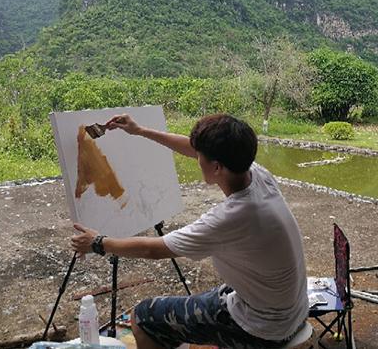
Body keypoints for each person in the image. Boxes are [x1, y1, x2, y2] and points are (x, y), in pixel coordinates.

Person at [70, 113, 309, 349]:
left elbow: (154, 249)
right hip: (292, 312)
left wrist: (98, 242)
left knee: (143, 316)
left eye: (200, 156)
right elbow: (195, 148)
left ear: (216, 167)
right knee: (201, 302)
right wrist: (140, 130)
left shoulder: (231, 217)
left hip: (263, 331)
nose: (196, 158)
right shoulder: (256, 174)